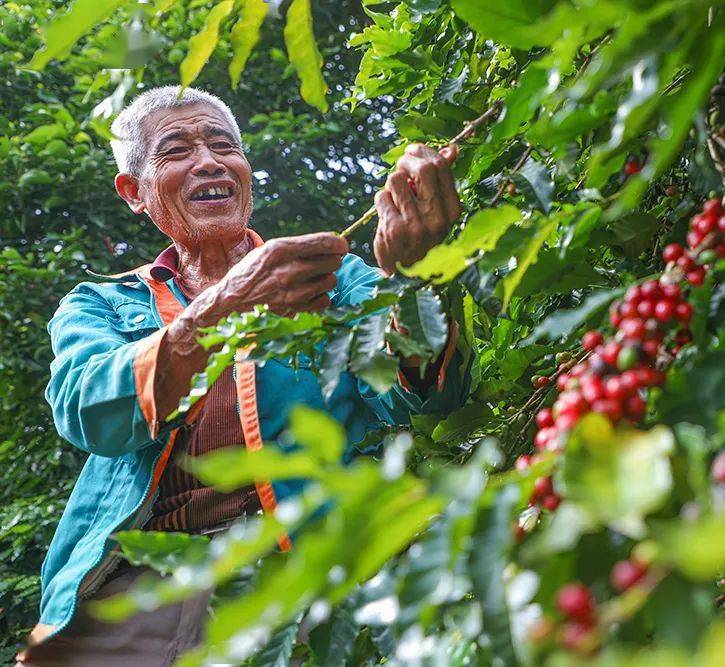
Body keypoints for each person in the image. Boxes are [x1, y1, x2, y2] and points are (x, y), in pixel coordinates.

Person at [17, 86, 471, 665]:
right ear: (134, 192)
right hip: (137, 585)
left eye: (223, 145)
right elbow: (91, 412)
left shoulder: (339, 281)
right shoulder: (102, 304)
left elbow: (429, 401)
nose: (208, 161)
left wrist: (413, 279)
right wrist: (222, 309)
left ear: (246, 171)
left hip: (306, 568)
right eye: (175, 149)